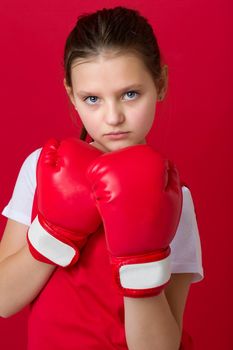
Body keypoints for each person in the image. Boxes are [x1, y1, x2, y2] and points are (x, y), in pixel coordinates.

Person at [0, 5, 204, 350]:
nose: (113, 117)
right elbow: (5, 300)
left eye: (130, 94)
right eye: (92, 99)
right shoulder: (40, 169)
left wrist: (141, 260)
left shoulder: (175, 198)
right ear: (71, 97)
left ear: (161, 83)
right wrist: (53, 233)